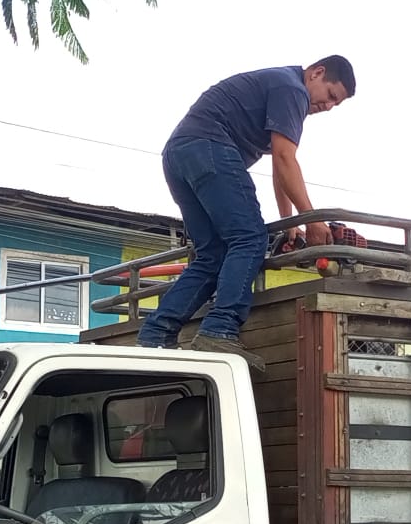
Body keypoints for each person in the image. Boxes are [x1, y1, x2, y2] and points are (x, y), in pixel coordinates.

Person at [136, 58, 356, 368]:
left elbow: (280, 165)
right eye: (331, 95)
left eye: (336, 104)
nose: (329, 107)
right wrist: (313, 220)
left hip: (179, 155)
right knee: (250, 239)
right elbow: (285, 158)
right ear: (317, 73)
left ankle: (156, 333)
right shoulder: (293, 89)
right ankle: (220, 330)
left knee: (212, 255)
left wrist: (290, 223)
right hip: (209, 147)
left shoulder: (281, 85)